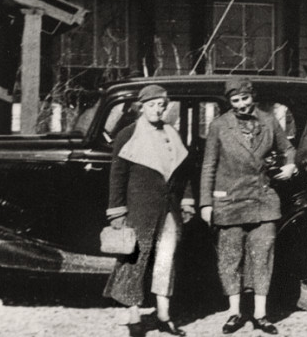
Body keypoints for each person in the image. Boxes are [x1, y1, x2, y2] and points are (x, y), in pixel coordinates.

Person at [200, 78, 296, 335]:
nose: (241, 105)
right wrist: (206, 203)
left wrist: (290, 165)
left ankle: (260, 314)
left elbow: (288, 148)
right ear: (229, 102)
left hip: (263, 201)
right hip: (229, 201)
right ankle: (234, 313)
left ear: (252, 96)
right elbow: (208, 166)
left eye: (245, 98)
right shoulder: (219, 126)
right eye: (235, 100)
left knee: (262, 256)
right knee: (231, 258)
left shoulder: (269, 121)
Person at [103, 84, 195, 337]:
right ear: (141, 107)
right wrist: (117, 212)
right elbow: (117, 177)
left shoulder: (172, 133)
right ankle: (133, 317)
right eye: (152, 105)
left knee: (166, 260)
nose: (157, 110)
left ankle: (164, 316)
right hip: (139, 211)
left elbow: (183, 174)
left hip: (169, 211)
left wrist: (187, 201)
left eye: (161, 105)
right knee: (134, 261)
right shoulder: (127, 134)